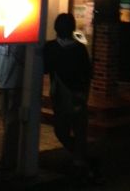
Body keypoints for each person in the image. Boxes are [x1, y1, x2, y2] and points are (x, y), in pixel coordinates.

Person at [43, 12, 96, 183]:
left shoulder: (50, 47)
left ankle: (80, 159)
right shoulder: (79, 48)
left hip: (60, 95)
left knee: (61, 129)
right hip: (78, 95)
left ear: (56, 28)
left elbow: (44, 68)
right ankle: (80, 159)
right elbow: (88, 73)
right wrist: (85, 94)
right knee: (79, 129)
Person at [0, 44, 25, 172]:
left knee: (10, 124)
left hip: (12, 84)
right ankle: (11, 157)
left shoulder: (21, 42)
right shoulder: (5, 40)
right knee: (9, 123)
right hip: (7, 83)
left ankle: (9, 159)